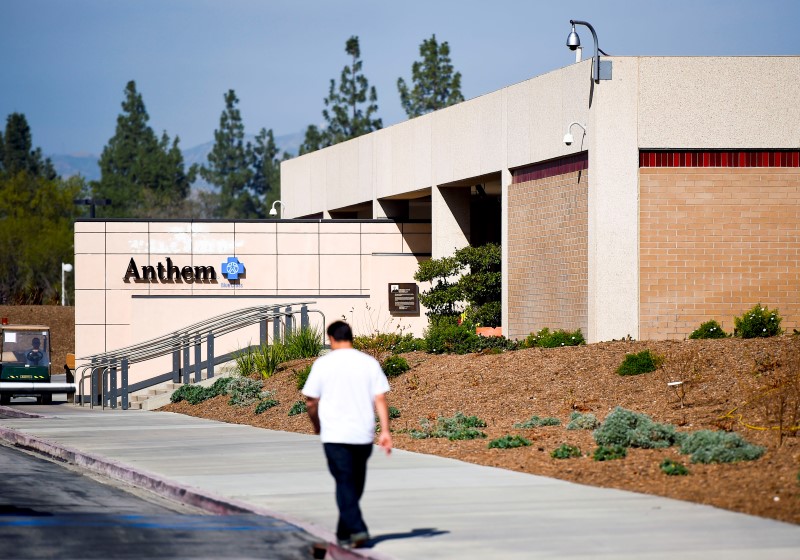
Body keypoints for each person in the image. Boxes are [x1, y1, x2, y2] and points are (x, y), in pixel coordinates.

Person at [302, 321, 392, 549]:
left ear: (331, 338)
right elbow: (380, 398)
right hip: (362, 434)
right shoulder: (369, 363)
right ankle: (344, 534)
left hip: (334, 435)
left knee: (345, 483)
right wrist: (386, 431)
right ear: (351, 337)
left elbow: (311, 401)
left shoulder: (323, 364)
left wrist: (316, 424)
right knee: (353, 484)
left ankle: (357, 529)